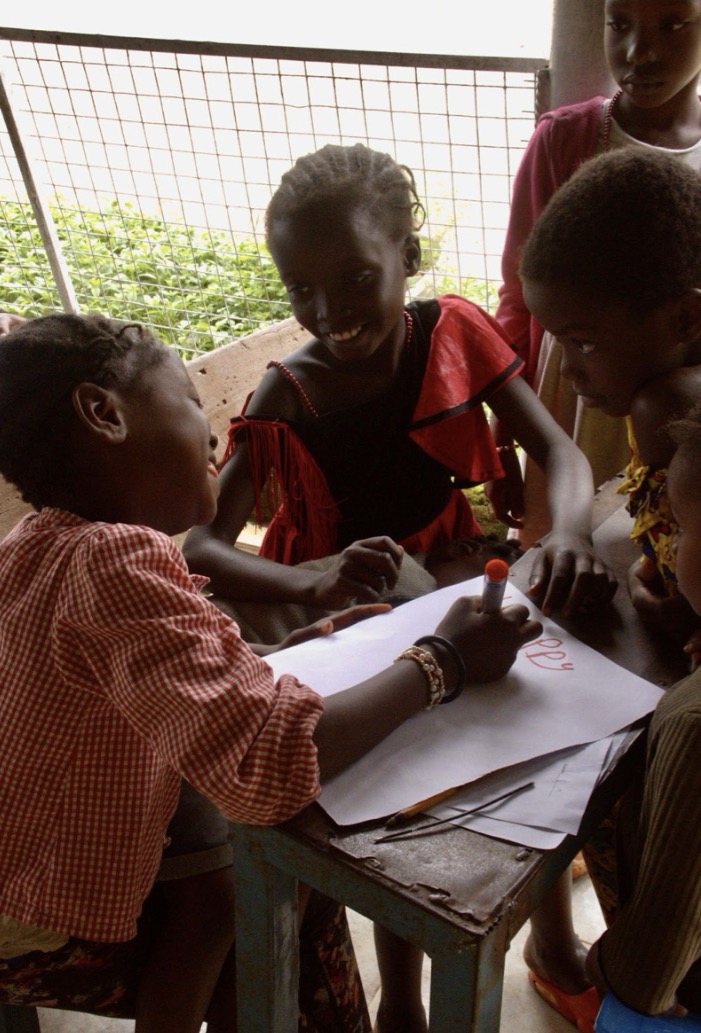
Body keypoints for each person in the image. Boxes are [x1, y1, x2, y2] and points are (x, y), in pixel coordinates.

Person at [0, 312, 542, 1033]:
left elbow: (151, 670)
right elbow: (266, 764)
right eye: (193, 400)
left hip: (18, 856)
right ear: (104, 413)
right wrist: (439, 661)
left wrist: (298, 646)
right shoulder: (115, 560)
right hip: (34, 907)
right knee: (272, 888)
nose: (215, 425)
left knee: (228, 888)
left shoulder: (36, 542)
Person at [183, 141, 617, 1033]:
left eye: (353, 280)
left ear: (407, 260)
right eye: (298, 289)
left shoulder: (450, 331)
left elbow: (559, 450)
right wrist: (305, 580)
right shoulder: (288, 392)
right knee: (398, 799)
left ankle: (537, 939)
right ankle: (404, 1007)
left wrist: (566, 531)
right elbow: (196, 541)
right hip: (349, 619)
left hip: (449, 569)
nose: (327, 312)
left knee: (505, 747)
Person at [518, 147, 701, 1033]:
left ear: (682, 318)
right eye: (557, 336)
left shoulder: (672, 412)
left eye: (584, 340)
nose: (569, 364)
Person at [492, 0, 701, 547]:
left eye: (672, 25)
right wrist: (505, 427)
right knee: (567, 547)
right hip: (579, 412)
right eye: (620, 25)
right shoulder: (566, 138)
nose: (639, 52)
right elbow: (518, 289)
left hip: (671, 398)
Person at [586, 403, 701, 1030]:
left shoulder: (694, 725)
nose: (669, 544)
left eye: (680, 528)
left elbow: (649, 971)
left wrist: (601, 965)